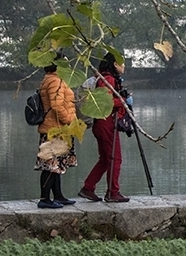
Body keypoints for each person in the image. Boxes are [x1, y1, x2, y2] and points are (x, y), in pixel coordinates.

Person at [80, 53, 130, 203]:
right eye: (122, 63)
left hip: (101, 123)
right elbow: (106, 102)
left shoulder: (103, 78)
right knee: (115, 158)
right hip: (106, 123)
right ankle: (112, 192)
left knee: (105, 159)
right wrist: (123, 101)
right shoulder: (108, 79)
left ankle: (88, 187)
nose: (124, 66)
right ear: (115, 64)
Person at [36, 61, 79, 209]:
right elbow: (57, 105)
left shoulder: (51, 78)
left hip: (56, 127)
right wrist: (69, 120)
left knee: (56, 165)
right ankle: (45, 199)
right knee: (50, 165)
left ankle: (58, 195)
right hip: (55, 128)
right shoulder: (55, 80)